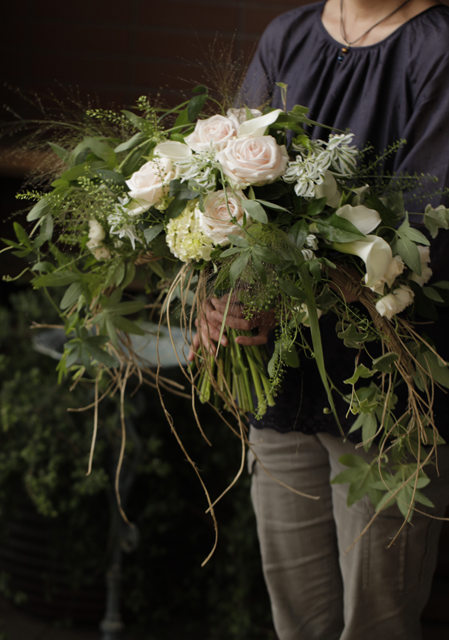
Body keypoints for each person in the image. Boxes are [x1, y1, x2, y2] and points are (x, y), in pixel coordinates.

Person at [189, 1, 449, 638]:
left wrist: (287, 286)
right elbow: (229, 185)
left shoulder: (437, 48)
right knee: (297, 619)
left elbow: (428, 220)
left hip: (384, 385)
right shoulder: (290, 34)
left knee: (378, 623)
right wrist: (216, 289)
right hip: (281, 387)